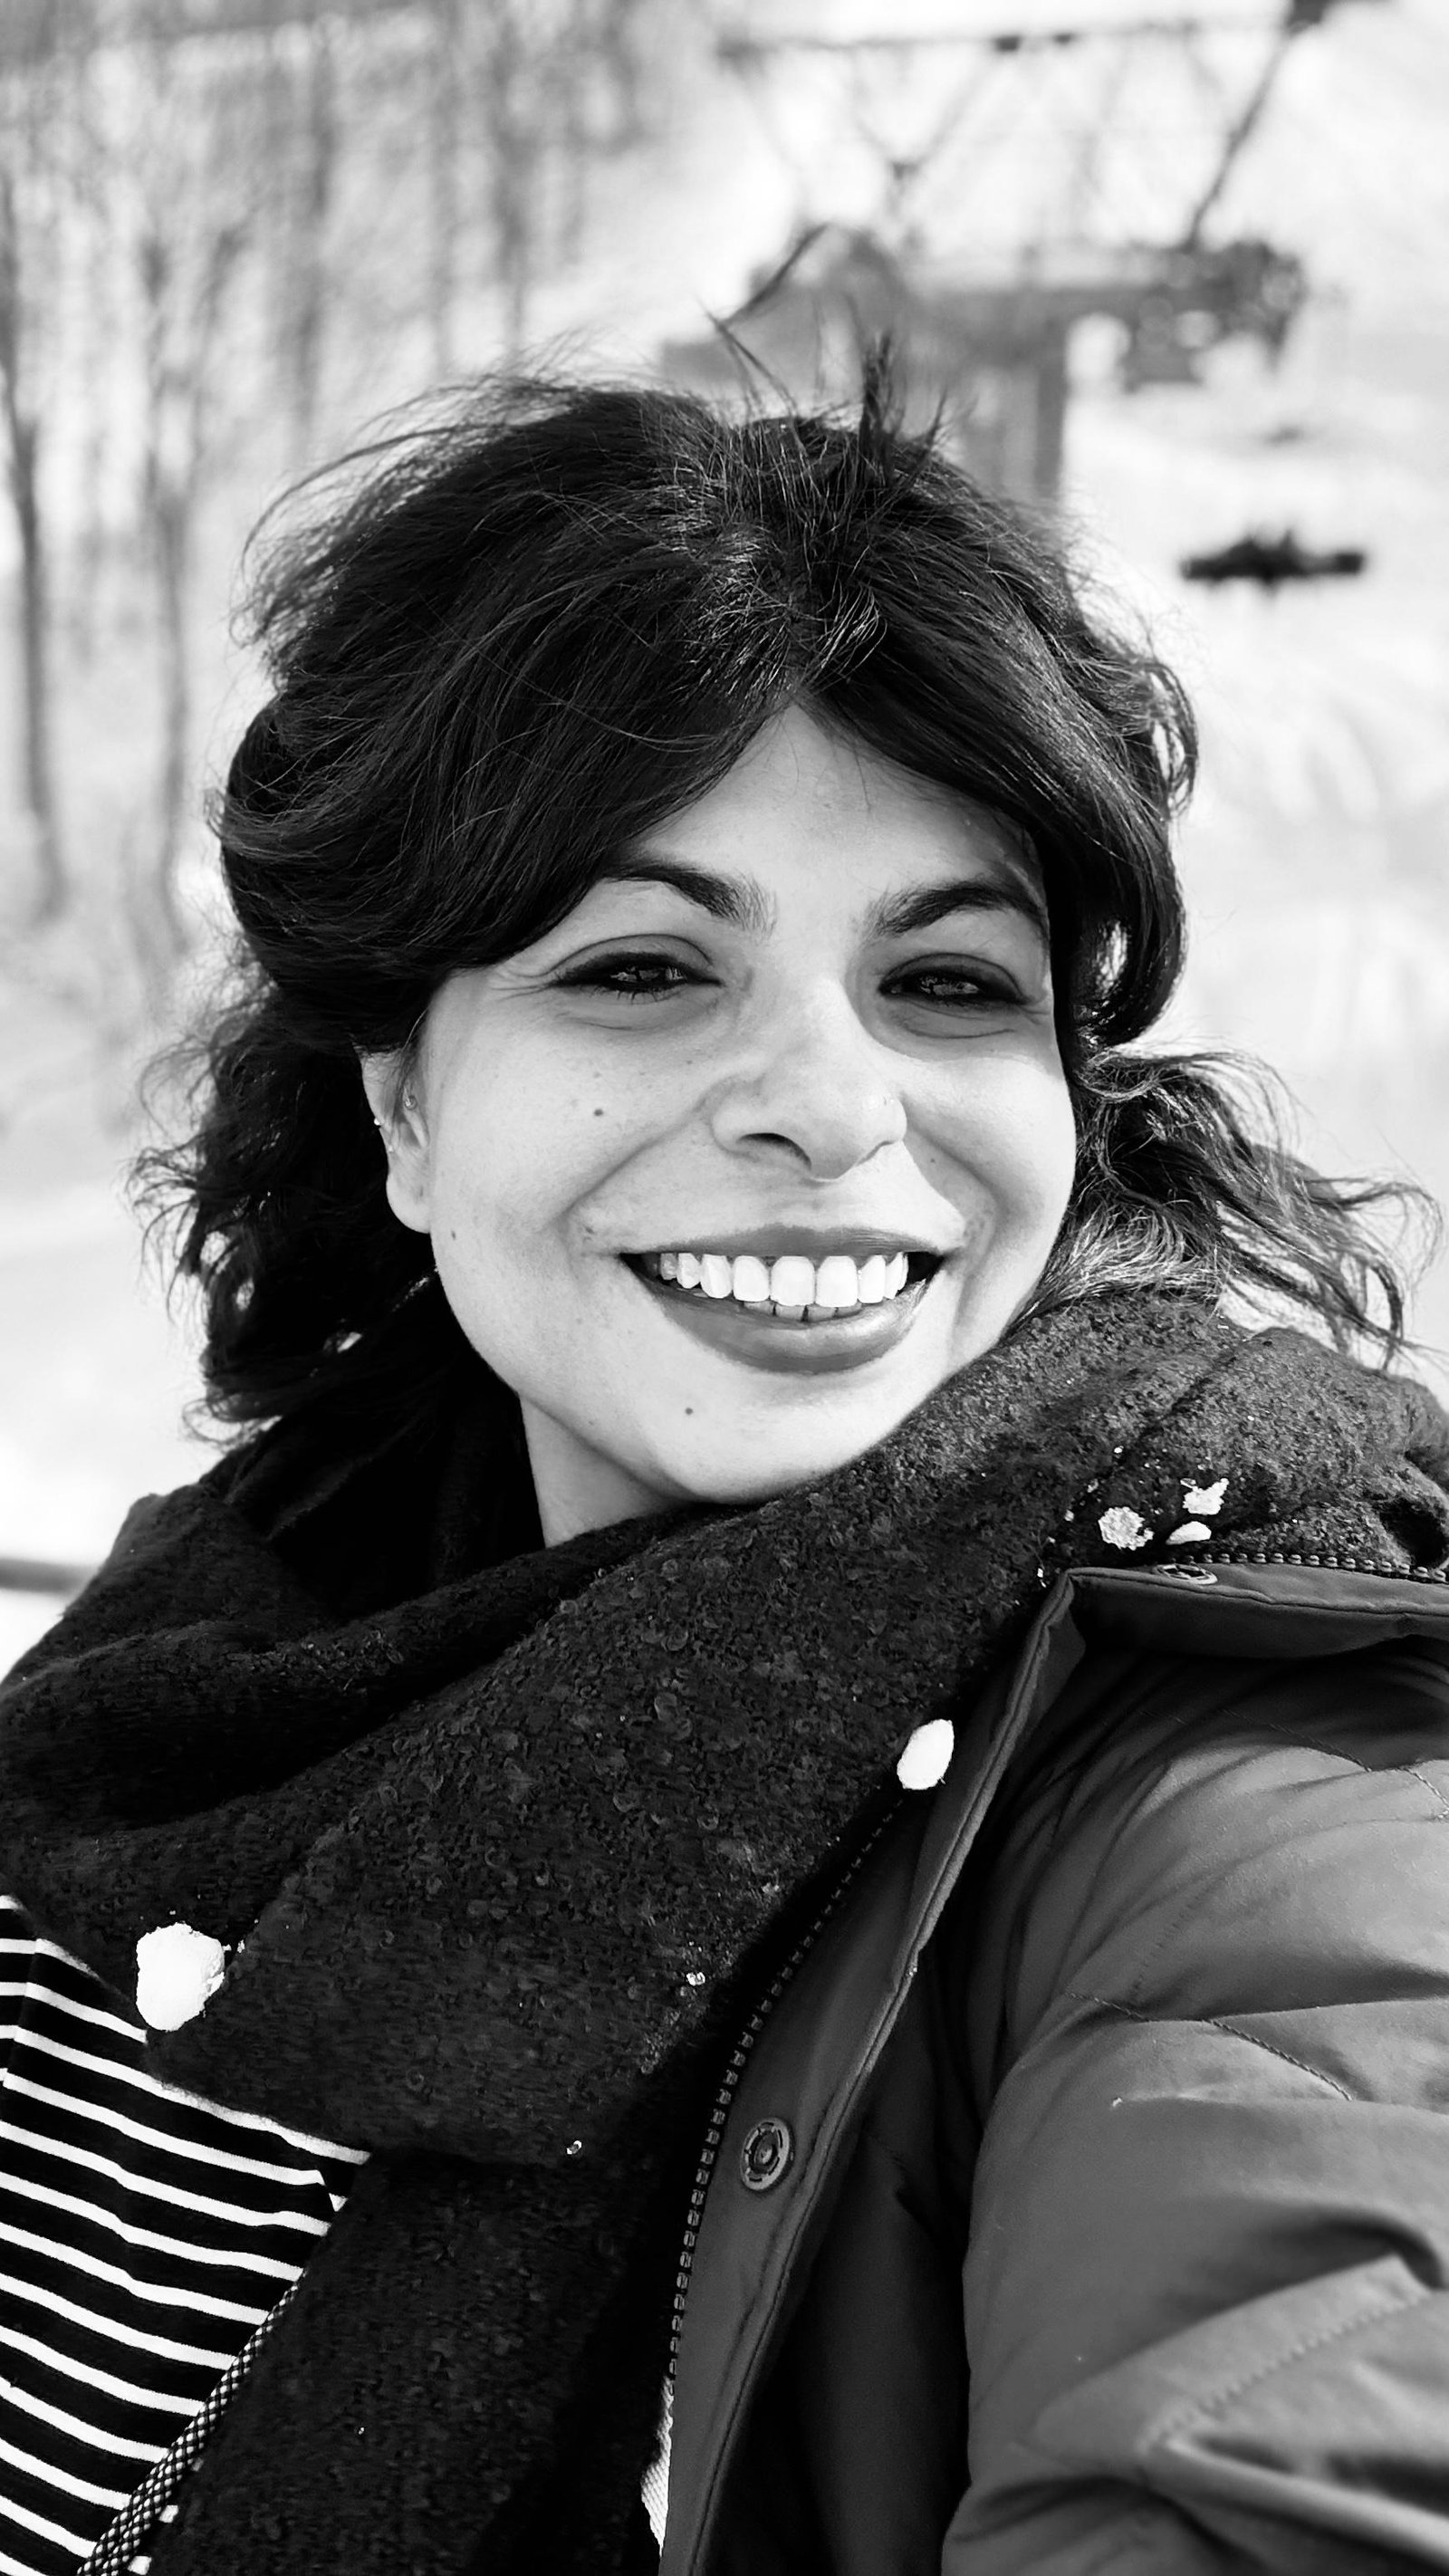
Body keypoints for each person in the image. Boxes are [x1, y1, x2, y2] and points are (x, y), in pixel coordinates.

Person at [1, 366, 1448, 2576]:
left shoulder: (1257, 1787)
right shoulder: (203, 1681)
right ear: (404, 1110)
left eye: (944, 981)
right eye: (644, 967)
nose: (830, 1105)